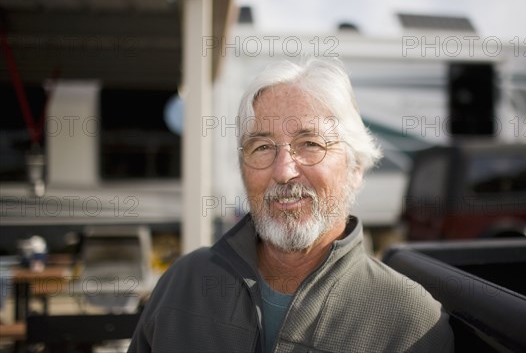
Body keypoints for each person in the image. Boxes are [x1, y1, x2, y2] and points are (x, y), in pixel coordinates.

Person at [127, 57, 454, 352]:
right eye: (262, 147)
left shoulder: (410, 322)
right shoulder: (184, 283)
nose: (283, 171)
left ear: (355, 169)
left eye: (310, 144)